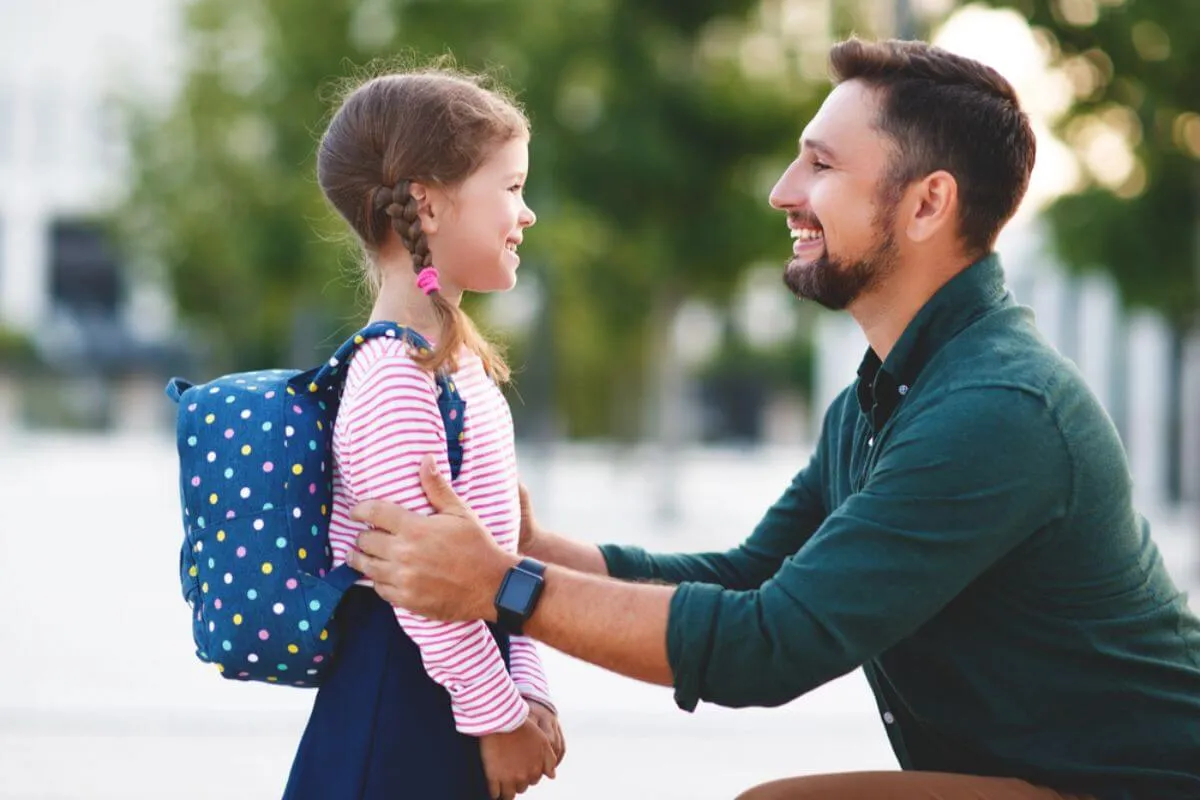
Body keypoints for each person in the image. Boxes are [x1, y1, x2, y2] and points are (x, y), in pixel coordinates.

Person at [343, 39, 1200, 800]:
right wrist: (537, 551)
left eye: (820, 166)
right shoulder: (887, 394)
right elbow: (754, 572)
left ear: (928, 204)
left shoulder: (994, 414)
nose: (782, 191)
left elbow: (771, 645)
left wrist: (503, 587)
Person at [284, 69, 564, 800]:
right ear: (427, 204)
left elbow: (503, 560)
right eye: (511, 187)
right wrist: (499, 717)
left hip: (453, 705)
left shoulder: (458, 364)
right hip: (400, 721)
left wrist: (529, 691)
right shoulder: (393, 379)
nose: (527, 212)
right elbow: (417, 586)